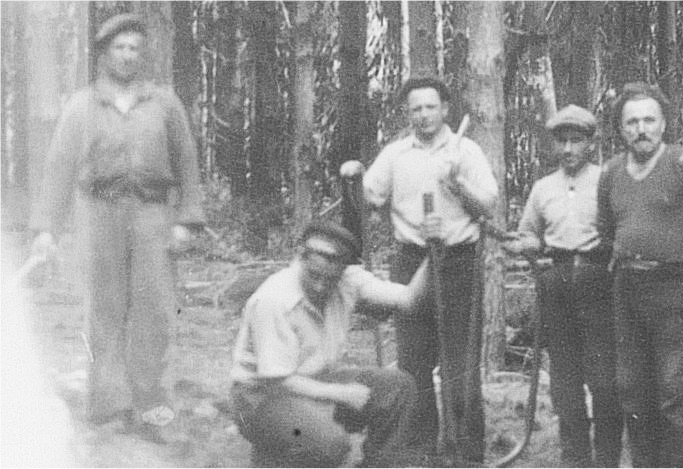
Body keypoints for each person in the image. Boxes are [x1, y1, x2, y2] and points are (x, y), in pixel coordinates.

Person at [27, 12, 204, 443]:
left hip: (151, 215)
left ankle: (154, 409)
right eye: (119, 48)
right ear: (104, 54)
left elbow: (186, 161)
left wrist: (186, 219)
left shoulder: (163, 103)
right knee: (104, 308)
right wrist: (46, 228)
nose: (127, 56)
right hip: (98, 214)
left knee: (154, 312)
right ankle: (109, 405)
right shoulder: (83, 105)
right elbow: (59, 169)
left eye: (135, 49)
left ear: (144, 56)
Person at [596, 82, 683, 467]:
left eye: (648, 120)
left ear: (663, 124)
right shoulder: (610, 173)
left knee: (675, 394)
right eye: (631, 122)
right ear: (620, 128)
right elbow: (608, 232)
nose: (640, 129)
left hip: (675, 289)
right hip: (627, 289)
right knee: (635, 394)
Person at [362, 77, 500, 462]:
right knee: (413, 365)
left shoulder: (465, 151)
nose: (423, 115)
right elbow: (370, 193)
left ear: (445, 109)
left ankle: (466, 455)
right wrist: (360, 187)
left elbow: (487, 206)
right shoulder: (395, 154)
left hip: (458, 264)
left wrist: (457, 184)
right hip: (411, 262)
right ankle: (421, 453)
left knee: (461, 369)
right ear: (407, 114)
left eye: (430, 107)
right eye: (415, 109)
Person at [231, 222, 430, 467]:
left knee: (397, 388)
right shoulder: (273, 299)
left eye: (330, 279)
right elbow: (277, 380)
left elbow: (408, 299)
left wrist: (434, 252)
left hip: (315, 381)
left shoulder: (349, 280)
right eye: (314, 275)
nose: (320, 286)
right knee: (331, 444)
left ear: (343, 269)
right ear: (300, 258)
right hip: (261, 397)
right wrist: (341, 394)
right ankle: (275, 456)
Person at [502, 105, 623, 467]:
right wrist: (524, 244)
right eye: (562, 141)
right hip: (557, 282)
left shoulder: (607, 182)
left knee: (604, 382)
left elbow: (623, 231)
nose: (568, 149)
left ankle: (607, 460)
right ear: (553, 145)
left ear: (591, 143)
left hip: (599, 281)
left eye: (576, 140)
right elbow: (530, 234)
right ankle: (576, 460)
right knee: (565, 383)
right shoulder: (543, 189)